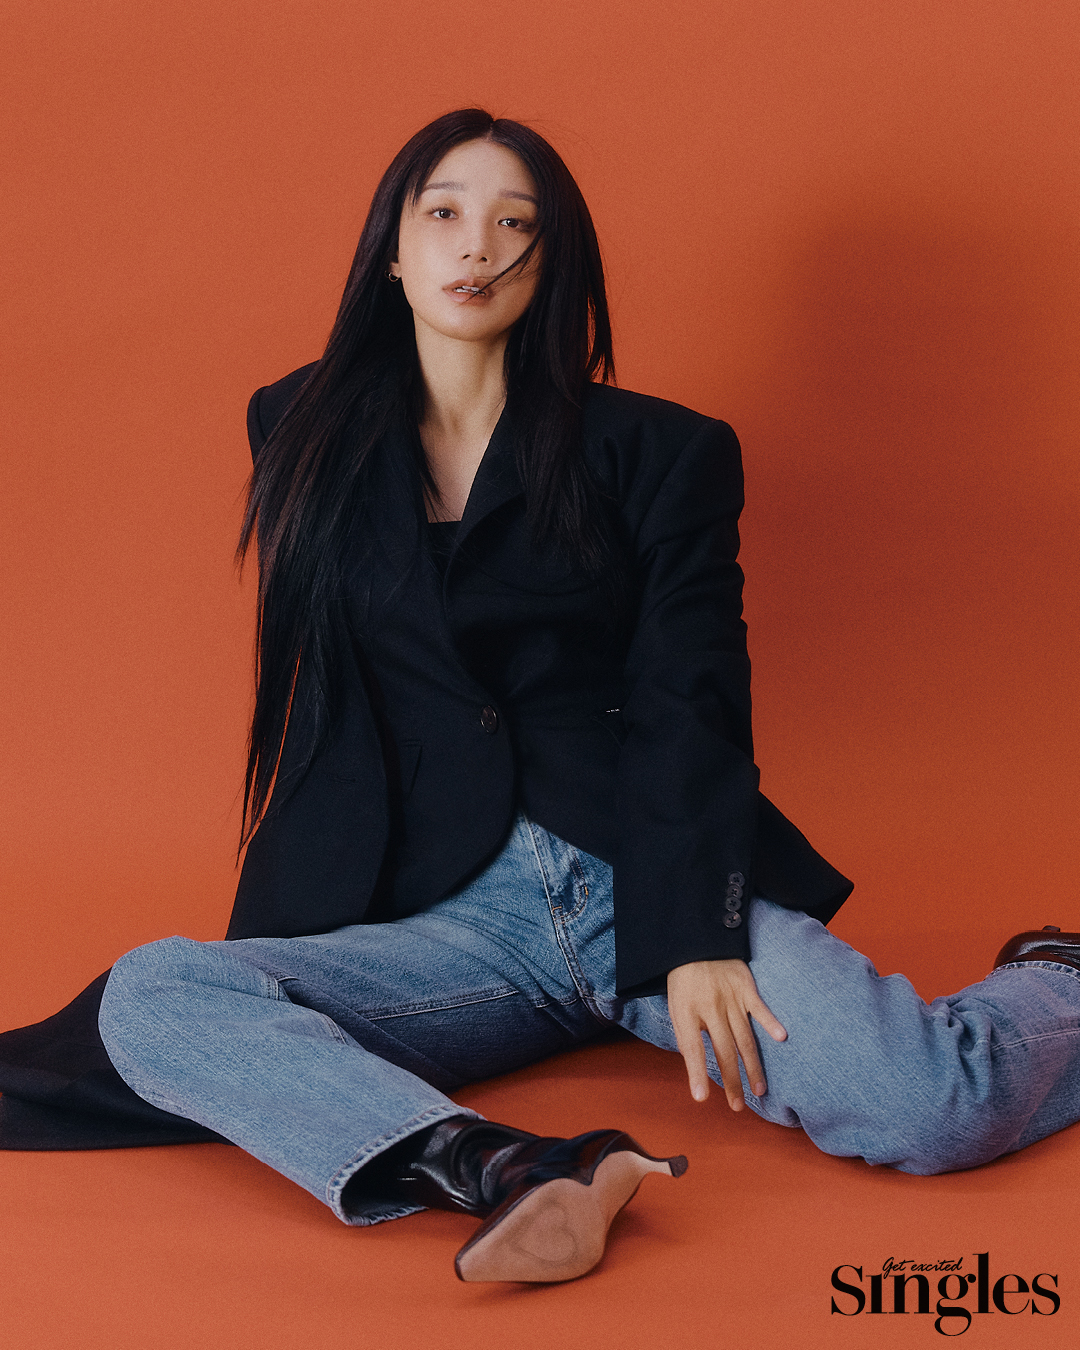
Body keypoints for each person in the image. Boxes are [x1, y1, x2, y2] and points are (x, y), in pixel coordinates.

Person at [3, 109, 1080, 1284]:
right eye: (445, 214)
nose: (478, 245)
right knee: (156, 990)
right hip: (448, 923)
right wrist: (278, 945)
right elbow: (332, 692)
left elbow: (690, 693)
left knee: (933, 1104)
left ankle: (1058, 977)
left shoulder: (662, 452)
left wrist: (695, 927)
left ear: (553, 261)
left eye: (517, 224)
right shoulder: (297, 428)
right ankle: (508, 1168)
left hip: (631, 878)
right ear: (393, 248)